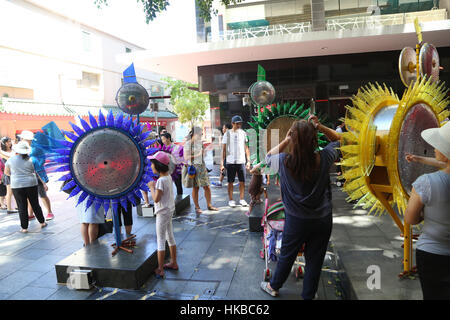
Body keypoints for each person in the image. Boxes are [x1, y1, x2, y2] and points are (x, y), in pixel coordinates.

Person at [260, 115, 341, 300]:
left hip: (296, 221)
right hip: (322, 219)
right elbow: (340, 140)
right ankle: (308, 295)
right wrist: (320, 126)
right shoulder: (325, 157)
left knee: (287, 255)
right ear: (314, 140)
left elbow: (267, 157)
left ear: (293, 139)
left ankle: (274, 286)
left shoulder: (283, 161)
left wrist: (287, 139)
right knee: (315, 259)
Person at [404, 121, 450, 300]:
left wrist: (426, 214)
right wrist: (418, 158)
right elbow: (444, 163)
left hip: (432, 255)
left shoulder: (426, 183)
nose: (433, 148)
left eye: (438, 145)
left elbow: (410, 218)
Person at [4, 141, 48, 233]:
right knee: (35, 204)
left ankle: (24, 228)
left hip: (17, 185)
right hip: (31, 184)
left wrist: (16, 174)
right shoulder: (32, 160)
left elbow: (7, 173)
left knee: (21, 206)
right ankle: (42, 222)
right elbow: (35, 172)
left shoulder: (10, 160)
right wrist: (43, 183)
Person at [148, 151, 178, 279]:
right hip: (169, 210)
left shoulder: (160, 181)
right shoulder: (168, 177)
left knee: (160, 240)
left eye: (152, 164)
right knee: (170, 236)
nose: (151, 167)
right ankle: (174, 263)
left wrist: (151, 188)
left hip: (162, 213)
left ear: (158, 166)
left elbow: (156, 199)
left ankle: (160, 269)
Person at [18, 130, 55, 221]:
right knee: (29, 195)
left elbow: (40, 162)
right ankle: (30, 214)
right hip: (27, 174)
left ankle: (49, 212)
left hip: (38, 174)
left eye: (23, 138)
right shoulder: (22, 148)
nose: (21, 139)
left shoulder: (36, 149)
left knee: (42, 194)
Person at [182, 127, 218, 214]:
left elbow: (203, 155)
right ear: (195, 134)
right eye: (200, 134)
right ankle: (197, 207)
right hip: (193, 168)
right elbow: (186, 157)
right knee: (196, 187)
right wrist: (198, 154)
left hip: (202, 166)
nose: (201, 136)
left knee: (207, 186)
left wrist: (204, 152)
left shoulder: (200, 143)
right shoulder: (188, 144)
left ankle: (209, 205)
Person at [221, 115, 251, 207]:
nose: (239, 125)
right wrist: (222, 164)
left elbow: (246, 148)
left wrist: (248, 161)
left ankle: (242, 199)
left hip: (241, 161)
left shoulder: (243, 133)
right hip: (230, 162)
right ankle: (231, 200)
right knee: (230, 182)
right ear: (232, 123)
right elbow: (224, 150)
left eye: (240, 123)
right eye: (237, 123)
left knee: (242, 181)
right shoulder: (227, 134)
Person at [212, 124, 232, 188]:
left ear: (227, 128)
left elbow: (224, 149)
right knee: (225, 168)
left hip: (229, 155)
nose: (222, 129)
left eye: (223, 128)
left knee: (225, 168)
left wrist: (222, 160)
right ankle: (220, 182)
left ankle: (221, 182)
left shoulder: (227, 135)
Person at [1, 136, 17, 213]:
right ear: (3, 143)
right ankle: (9, 209)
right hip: (8, 173)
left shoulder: (13, 150)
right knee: (9, 192)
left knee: (15, 191)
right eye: (7, 142)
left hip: (16, 172)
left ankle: (17, 206)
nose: (9, 143)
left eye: (10, 141)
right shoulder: (2, 152)